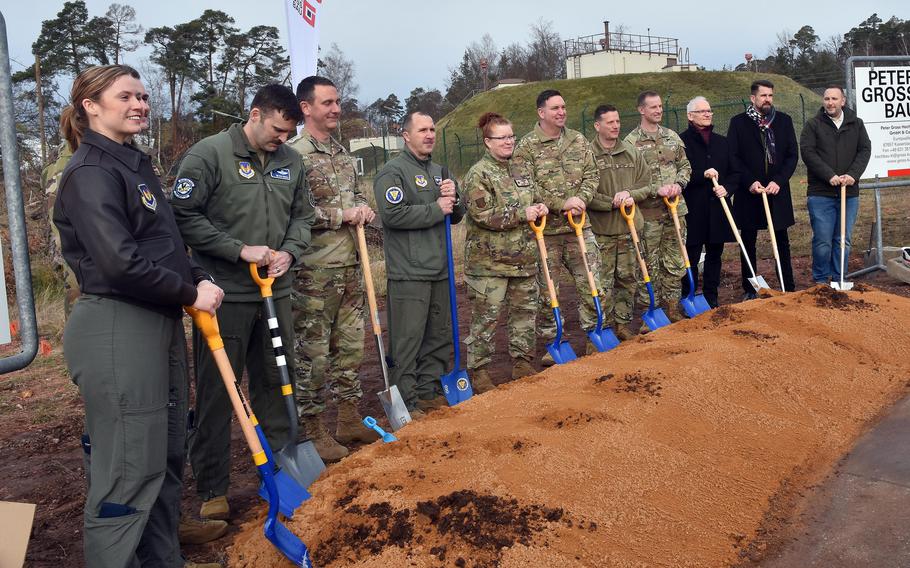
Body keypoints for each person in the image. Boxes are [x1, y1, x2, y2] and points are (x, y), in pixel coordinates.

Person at [53, 64, 224, 568]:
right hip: (118, 326)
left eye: (144, 97)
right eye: (126, 95)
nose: (140, 104)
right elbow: (119, 262)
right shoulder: (90, 173)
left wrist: (197, 276)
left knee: (165, 457)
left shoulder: (133, 165)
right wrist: (191, 295)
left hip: (159, 322)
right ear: (91, 104)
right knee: (129, 469)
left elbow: (166, 243)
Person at [172, 85, 315, 521]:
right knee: (220, 391)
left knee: (276, 380)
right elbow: (183, 217)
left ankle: (278, 468)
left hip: (275, 293)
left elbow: (303, 216)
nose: (283, 140)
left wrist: (290, 250)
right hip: (223, 296)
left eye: (289, 133)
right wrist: (238, 249)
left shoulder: (292, 161)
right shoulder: (208, 155)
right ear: (255, 115)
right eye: (277, 130)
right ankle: (212, 486)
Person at [286, 76, 378, 463]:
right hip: (313, 272)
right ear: (306, 108)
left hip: (351, 267)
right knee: (314, 355)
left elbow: (356, 195)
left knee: (351, 349)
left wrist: (363, 208)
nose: (336, 109)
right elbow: (295, 213)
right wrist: (343, 214)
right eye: (327, 103)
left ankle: (348, 417)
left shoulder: (341, 153)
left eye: (337, 102)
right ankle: (311, 429)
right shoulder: (292, 155)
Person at [372, 111, 466, 414]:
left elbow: (456, 215)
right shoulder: (392, 173)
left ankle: (430, 391)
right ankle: (407, 402)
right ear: (406, 135)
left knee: (439, 336)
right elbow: (392, 215)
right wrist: (436, 208)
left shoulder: (441, 170)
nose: (429, 135)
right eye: (422, 130)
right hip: (409, 272)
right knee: (407, 341)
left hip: (441, 269)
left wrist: (456, 200)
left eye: (432, 130)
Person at [512, 89, 602, 363]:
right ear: (541, 113)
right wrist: (561, 202)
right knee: (548, 291)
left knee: (593, 282)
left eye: (563, 107)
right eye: (555, 108)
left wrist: (581, 199)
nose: (562, 112)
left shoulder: (578, 139)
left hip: (579, 227)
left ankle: (594, 336)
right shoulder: (525, 148)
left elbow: (592, 173)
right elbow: (525, 186)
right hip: (546, 233)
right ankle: (555, 340)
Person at [462, 112, 548, 387]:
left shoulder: (521, 169)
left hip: (524, 259)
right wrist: (524, 213)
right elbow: (484, 215)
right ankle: (479, 371)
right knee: (485, 321)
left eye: (512, 136)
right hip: (490, 264)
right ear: (488, 142)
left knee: (524, 315)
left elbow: (535, 198)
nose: (509, 142)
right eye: (502, 138)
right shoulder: (478, 174)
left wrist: (541, 206)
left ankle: (522, 363)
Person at [624, 91, 691, 328]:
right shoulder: (630, 143)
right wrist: (656, 189)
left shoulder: (672, 137)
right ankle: (650, 312)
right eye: (653, 107)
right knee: (647, 264)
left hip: (675, 211)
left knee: (675, 261)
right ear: (642, 110)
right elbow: (629, 180)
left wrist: (678, 184)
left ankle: (673, 307)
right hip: (648, 216)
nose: (658, 111)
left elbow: (685, 166)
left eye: (661, 106)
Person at [727, 79, 798, 297]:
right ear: (753, 98)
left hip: (777, 191)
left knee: (781, 240)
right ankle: (750, 288)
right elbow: (733, 156)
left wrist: (779, 181)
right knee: (748, 240)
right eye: (763, 96)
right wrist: (749, 182)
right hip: (750, 192)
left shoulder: (783, 121)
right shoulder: (739, 123)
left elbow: (791, 155)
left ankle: (787, 286)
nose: (767, 99)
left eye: (770, 96)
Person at [587, 105, 651, 340]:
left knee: (627, 279)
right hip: (601, 230)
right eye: (610, 122)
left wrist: (630, 194)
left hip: (629, 228)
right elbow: (584, 193)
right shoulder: (587, 154)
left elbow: (647, 184)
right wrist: (610, 202)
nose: (616, 126)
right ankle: (602, 327)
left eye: (617, 121)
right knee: (600, 284)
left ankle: (623, 325)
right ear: (597, 126)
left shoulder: (631, 152)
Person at [800, 85, 871, 285]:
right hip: (821, 193)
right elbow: (808, 152)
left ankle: (840, 278)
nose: (830, 102)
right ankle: (821, 281)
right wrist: (828, 175)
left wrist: (853, 175)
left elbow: (865, 150)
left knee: (843, 240)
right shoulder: (813, 125)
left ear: (843, 101)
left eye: (834, 99)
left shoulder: (856, 124)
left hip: (848, 192)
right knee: (822, 240)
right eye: (827, 99)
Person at [679, 96, 739, 308]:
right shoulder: (681, 142)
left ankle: (711, 297)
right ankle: (688, 297)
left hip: (718, 210)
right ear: (690, 116)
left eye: (709, 111)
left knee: (715, 254)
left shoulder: (722, 142)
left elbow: (734, 173)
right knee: (692, 256)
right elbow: (679, 176)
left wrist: (727, 188)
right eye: (702, 111)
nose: (707, 114)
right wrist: (700, 174)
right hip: (694, 210)